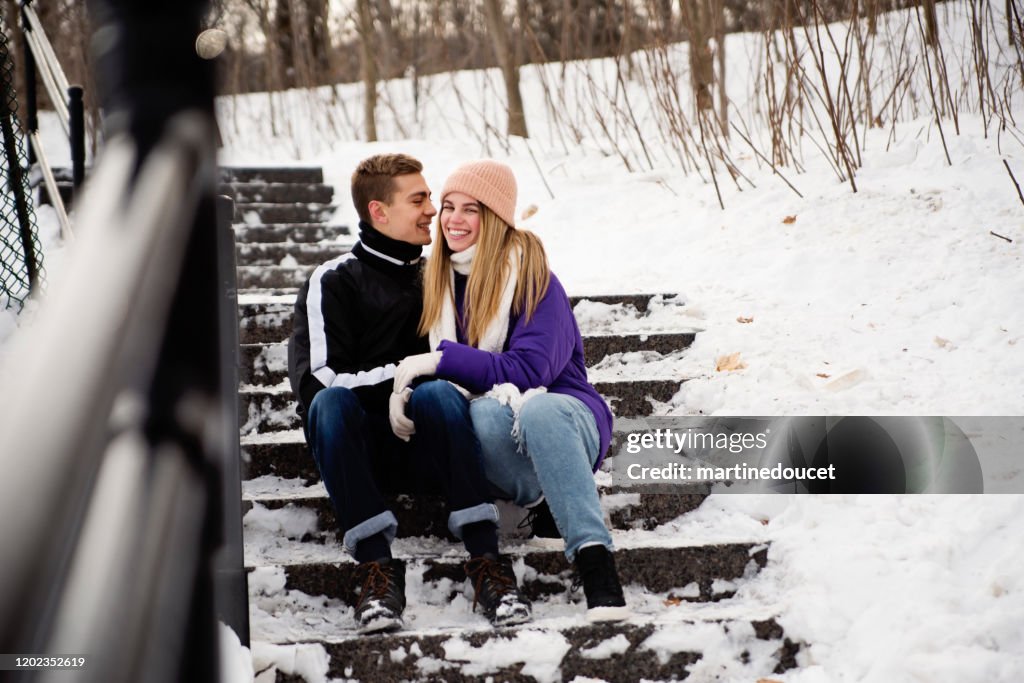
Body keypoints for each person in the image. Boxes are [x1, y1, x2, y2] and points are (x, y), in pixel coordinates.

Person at [287, 154, 531, 634]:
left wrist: (422, 383)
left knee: (439, 393)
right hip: (358, 452)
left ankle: (487, 563)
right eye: (419, 200)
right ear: (379, 212)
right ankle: (376, 571)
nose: (432, 212)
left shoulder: (441, 276)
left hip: (438, 441)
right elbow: (317, 383)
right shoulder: (333, 280)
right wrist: (402, 377)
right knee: (330, 404)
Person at [389, 159, 629, 622]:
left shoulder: (533, 276)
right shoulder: (438, 284)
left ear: (495, 217)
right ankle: (535, 500)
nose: (454, 219)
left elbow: (530, 370)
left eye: (471, 209)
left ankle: (596, 564)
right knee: (476, 415)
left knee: (538, 411)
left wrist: (441, 359)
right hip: (498, 433)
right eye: (448, 207)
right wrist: (405, 388)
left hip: (564, 416)